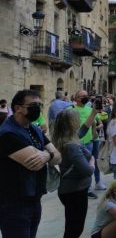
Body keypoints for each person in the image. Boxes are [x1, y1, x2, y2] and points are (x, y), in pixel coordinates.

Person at [0, 89, 62, 238]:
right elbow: (35, 163)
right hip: (13, 204)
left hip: (34, 199)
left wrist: (47, 155)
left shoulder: (34, 129)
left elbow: (58, 157)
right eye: (33, 105)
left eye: (40, 105)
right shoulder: (7, 133)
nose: (38, 109)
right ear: (18, 108)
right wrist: (49, 155)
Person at [52, 108, 95, 238]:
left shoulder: (64, 137)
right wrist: (92, 161)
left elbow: (83, 130)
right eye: (77, 118)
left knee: (72, 227)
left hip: (71, 190)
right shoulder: (71, 146)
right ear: (72, 123)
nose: (79, 121)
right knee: (75, 229)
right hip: (75, 191)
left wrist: (94, 113)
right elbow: (87, 171)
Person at [72, 90, 99, 199]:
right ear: (77, 98)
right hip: (77, 143)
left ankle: (87, 188)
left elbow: (94, 122)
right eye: (83, 96)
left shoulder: (90, 110)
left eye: (86, 95)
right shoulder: (71, 110)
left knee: (90, 164)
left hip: (89, 142)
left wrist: (94, 133)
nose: (85, 97)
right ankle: (79, 188)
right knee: (80, 167)